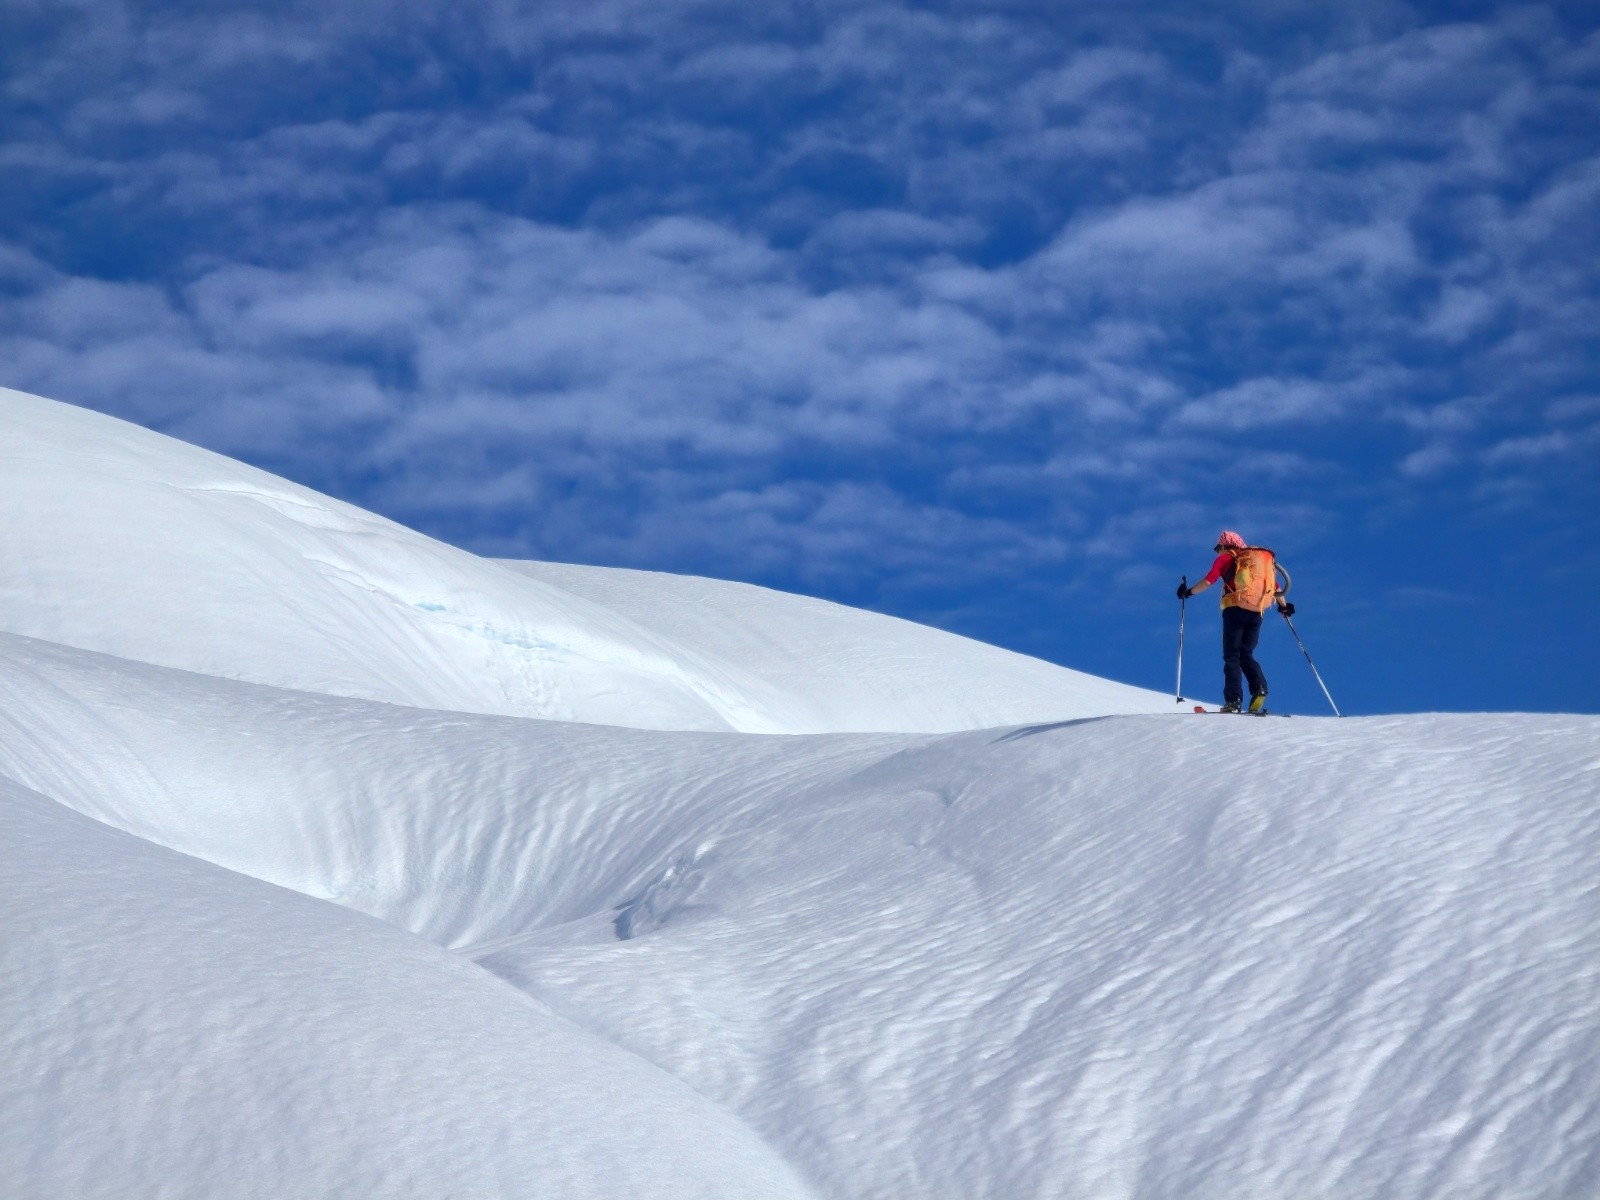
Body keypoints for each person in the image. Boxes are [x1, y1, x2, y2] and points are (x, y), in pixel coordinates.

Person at [1177, 531, 1294, 714]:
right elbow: (1276, 588)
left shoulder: (1225, 559)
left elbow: (1209, 581)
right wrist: (1284, 608)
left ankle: (1233, 701)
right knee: (1246, 653)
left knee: (1232, 655)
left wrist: (1188, 592)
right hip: (1257, 612)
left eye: (1218, 547)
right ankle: (1259, 689)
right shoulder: (1254, 563)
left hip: (1234, 609)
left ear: (1225, 545)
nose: (1218, 551)